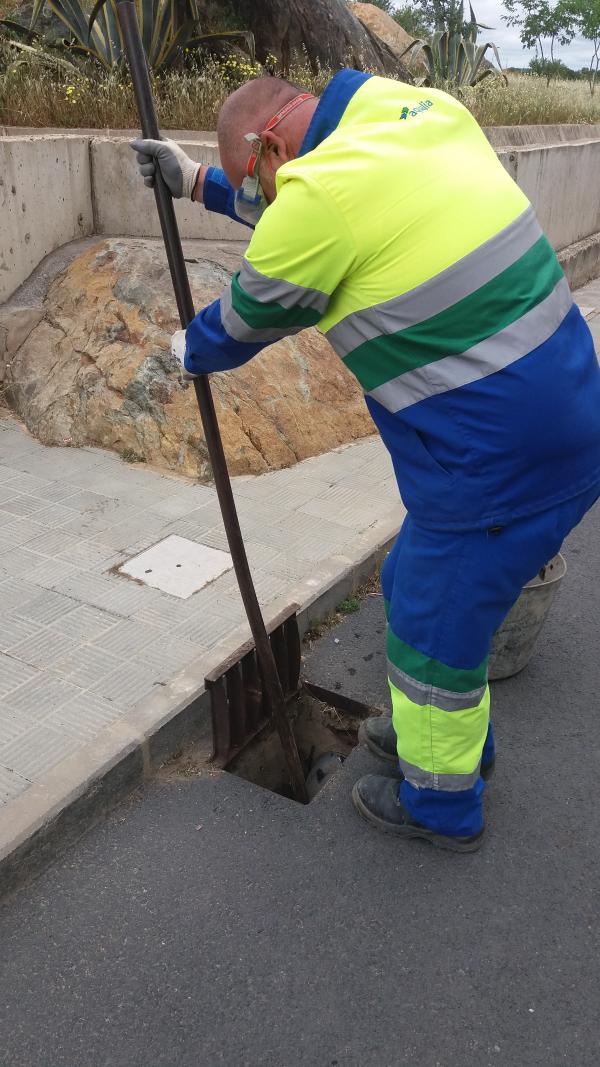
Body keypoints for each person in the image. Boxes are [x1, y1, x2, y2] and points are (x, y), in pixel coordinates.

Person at [132, 71, 600, 852]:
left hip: (498, 460)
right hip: (561, 403)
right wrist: (197, 184)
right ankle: (443, 740)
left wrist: (186, 350)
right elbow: (308, 204)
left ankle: (442, 804)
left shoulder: (316, 202)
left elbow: (246, 313)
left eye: (258, 181)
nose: (266, 199)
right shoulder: (407, 111)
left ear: (274, 146)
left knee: (431, 624)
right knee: (413, 583)